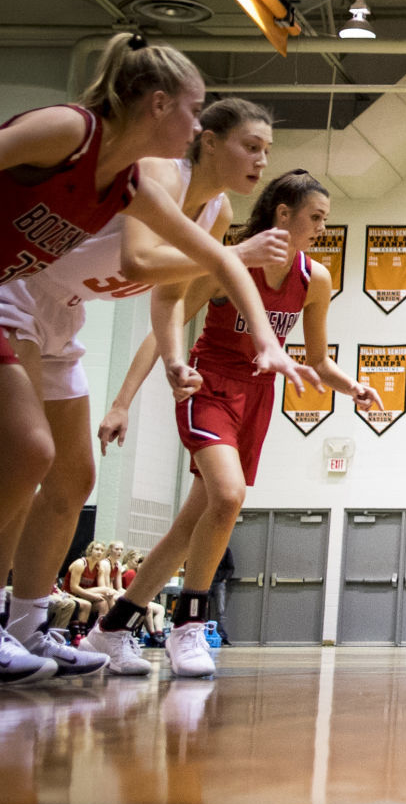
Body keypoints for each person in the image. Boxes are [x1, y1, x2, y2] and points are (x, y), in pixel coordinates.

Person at [0, 36, 301, 683]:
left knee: (75, 477)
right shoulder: (143, 166)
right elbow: (141, 261)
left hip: (66, 312)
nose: (260, 159)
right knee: (27, 456)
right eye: (250, 144)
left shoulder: (199, 203)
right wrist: (237, 263)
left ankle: (29, 627)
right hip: (22, 293)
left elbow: (174, 296)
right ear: (167, 107)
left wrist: (190, 358)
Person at [82, 170, 377, 678]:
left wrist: (352, 387)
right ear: (283, 215)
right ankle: (188, 626)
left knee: (188, 526)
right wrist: (121, 402)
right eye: (316, 217)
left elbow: (318, 359)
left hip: (257, 398)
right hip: (209, 386)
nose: (323, 228)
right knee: (228, 495)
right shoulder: (226, 262)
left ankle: (109, 630)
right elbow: (163, 326)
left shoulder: (316, 279)